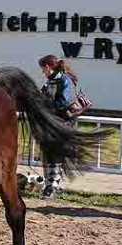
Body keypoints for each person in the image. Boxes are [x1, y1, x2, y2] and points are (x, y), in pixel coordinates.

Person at [38, 54, 77, 198]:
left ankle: (52, 186)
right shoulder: (51, 81)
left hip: (62, 122)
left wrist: (45, 107)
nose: (43, 72)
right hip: (52, 121)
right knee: (49, 154)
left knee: (55, 154)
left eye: (43, 69)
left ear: (48, 67)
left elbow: (63, 102)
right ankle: (51, 185)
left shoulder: (64, 80)